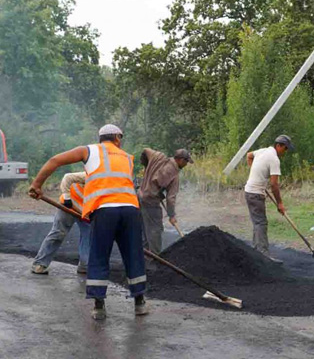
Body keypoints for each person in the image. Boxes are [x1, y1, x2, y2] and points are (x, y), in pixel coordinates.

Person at [28, 124, 147, 320]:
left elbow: (55, 160)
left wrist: (36, 185)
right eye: (121, 138)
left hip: (104, 211)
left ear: (101, 138)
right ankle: (140, 303)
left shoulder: (89, 150)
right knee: (134, 255)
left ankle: (99, 306)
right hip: (130, 210)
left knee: (99, 255)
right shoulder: (127, 157)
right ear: (117, 137)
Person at [245, 135, 294, 263]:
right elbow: (274, 184)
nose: (286, 151)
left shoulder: (263, 151)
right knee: (261, 223)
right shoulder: (274, 159)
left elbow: (249, 155)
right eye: (285, 148)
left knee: (257, 222)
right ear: (279, 146)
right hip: (255, 193)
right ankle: (263, 255)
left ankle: (256, 251)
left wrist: (256, 173)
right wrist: (280, 204)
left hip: (249, 191)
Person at [31, 172, 91, 275]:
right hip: (68, 206)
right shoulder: (92, 176)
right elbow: (67, 177)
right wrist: (67, 198)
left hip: (86, 212)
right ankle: (39, 264)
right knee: (58, 233)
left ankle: (85, 266)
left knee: (89, 236)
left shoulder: (114, 189)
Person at [138, 148, 194, 254]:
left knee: (145, 230)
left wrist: (146, 166)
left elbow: (145, 150)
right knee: (155, 230)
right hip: (151, 202)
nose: (187, 164)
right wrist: (171, 215)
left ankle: (143, 257)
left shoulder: (158, 157)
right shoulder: (174, 175)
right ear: (181, 160)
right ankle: (154, 259)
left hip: (140, 197)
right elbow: (170, 198)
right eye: (187, 161)